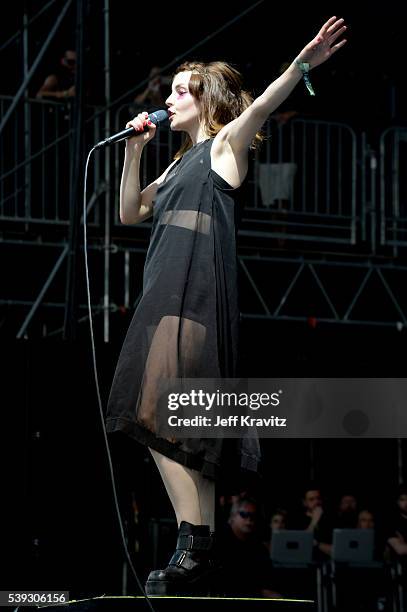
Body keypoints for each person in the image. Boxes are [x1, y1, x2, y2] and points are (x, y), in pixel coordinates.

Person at [105, 16, 347, 596]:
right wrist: (134, 153)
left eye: (180, 92)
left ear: (206, 101)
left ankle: (196, 539)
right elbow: (129, 214)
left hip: (191, 293)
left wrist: (304, 62)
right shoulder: (176, 162)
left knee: (151, 415)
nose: (169, 99)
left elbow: (263, 103)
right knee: (190, 427)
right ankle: (201, 549)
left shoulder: (222, 145)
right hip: (164, 288)